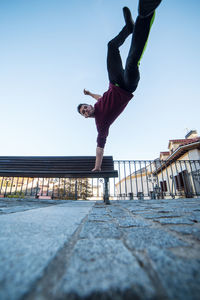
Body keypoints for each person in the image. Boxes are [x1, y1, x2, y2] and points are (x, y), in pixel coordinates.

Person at [77, 0, 162, 171]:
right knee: (132, 62)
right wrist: (97, 167)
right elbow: (100, 147)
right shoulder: (101, 123)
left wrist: (89, 94)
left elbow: (100, 98)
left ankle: (128, 29)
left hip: (114, 80)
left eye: (85, 107)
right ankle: (144, 17)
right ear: (86, 117)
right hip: (127, 86)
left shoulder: (97, 104)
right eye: (84, 112)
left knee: (111, 46)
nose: (86, 109)